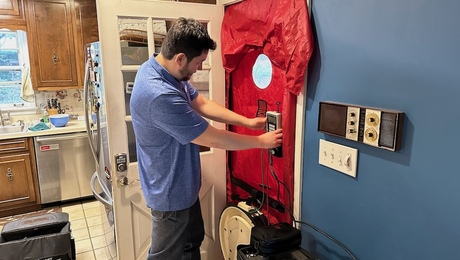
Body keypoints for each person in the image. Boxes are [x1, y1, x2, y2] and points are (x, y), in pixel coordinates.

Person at [130, 17, 283, 260]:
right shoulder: (158, 94)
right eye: (199, 62)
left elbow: (200, 102)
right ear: (180, 58)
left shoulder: (165, 71)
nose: (199, 68)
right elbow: (212, 138)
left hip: (183, 185)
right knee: (165, 256)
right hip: (170, 193)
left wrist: (247, 121)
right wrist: (261, 142)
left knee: (192, 244)